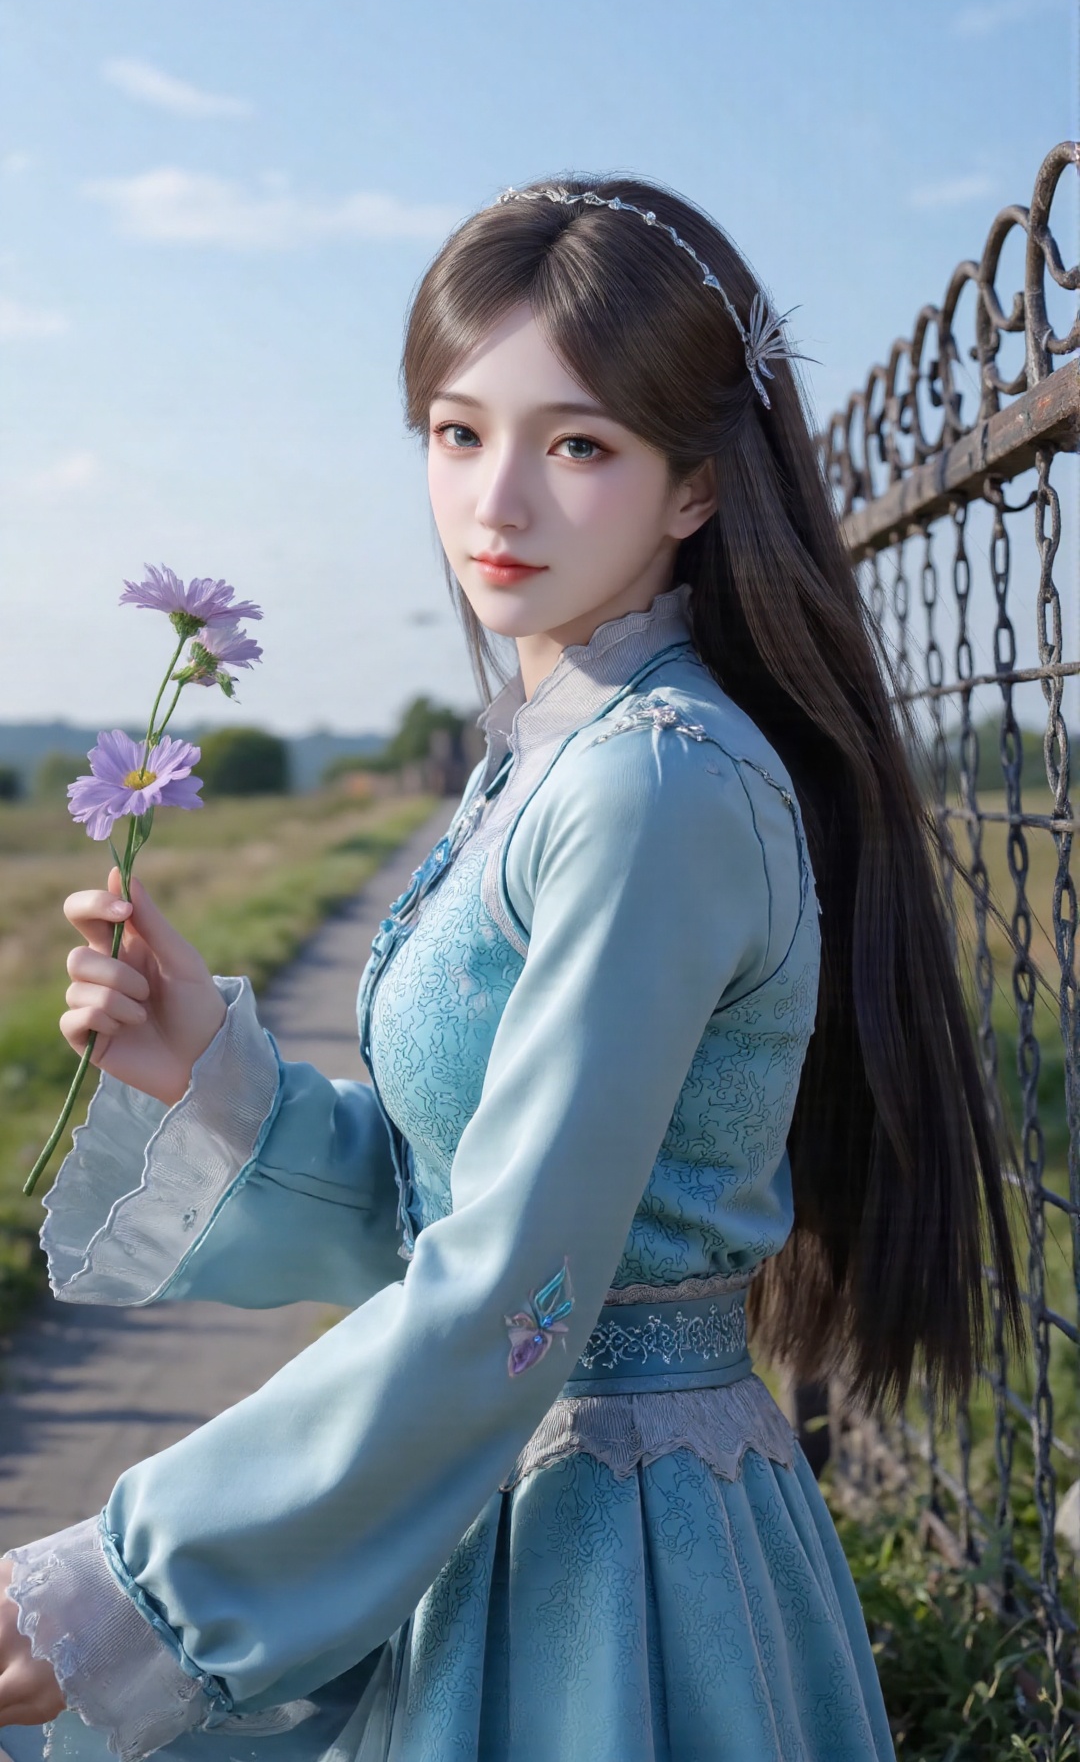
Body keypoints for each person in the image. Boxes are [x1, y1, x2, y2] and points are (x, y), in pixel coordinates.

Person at [0, 176, 1022, 1762]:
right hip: (515, 1510)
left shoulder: (652, 785)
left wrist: (133, 1584)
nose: (497, 506)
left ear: (694, 484)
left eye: (578, 445)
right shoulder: (559, 757)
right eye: (459, 433)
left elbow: (510, 1296)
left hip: (613, 1581)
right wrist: (214, 1068)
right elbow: (460, 1215)